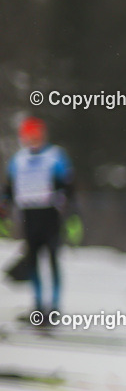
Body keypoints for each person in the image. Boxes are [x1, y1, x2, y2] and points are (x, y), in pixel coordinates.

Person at [2, 117, 74, 317]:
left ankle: (55, 306)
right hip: (29, 216)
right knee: (32, 261)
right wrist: (4, 212)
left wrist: (72, 213)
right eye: (29, 136)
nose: (33, 139)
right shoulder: (19, 160)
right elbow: (9, 189)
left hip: (50, 215)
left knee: (52, 260)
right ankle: (38, 305)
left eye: (36, 135)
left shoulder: (55, 156)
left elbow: (68, 186)